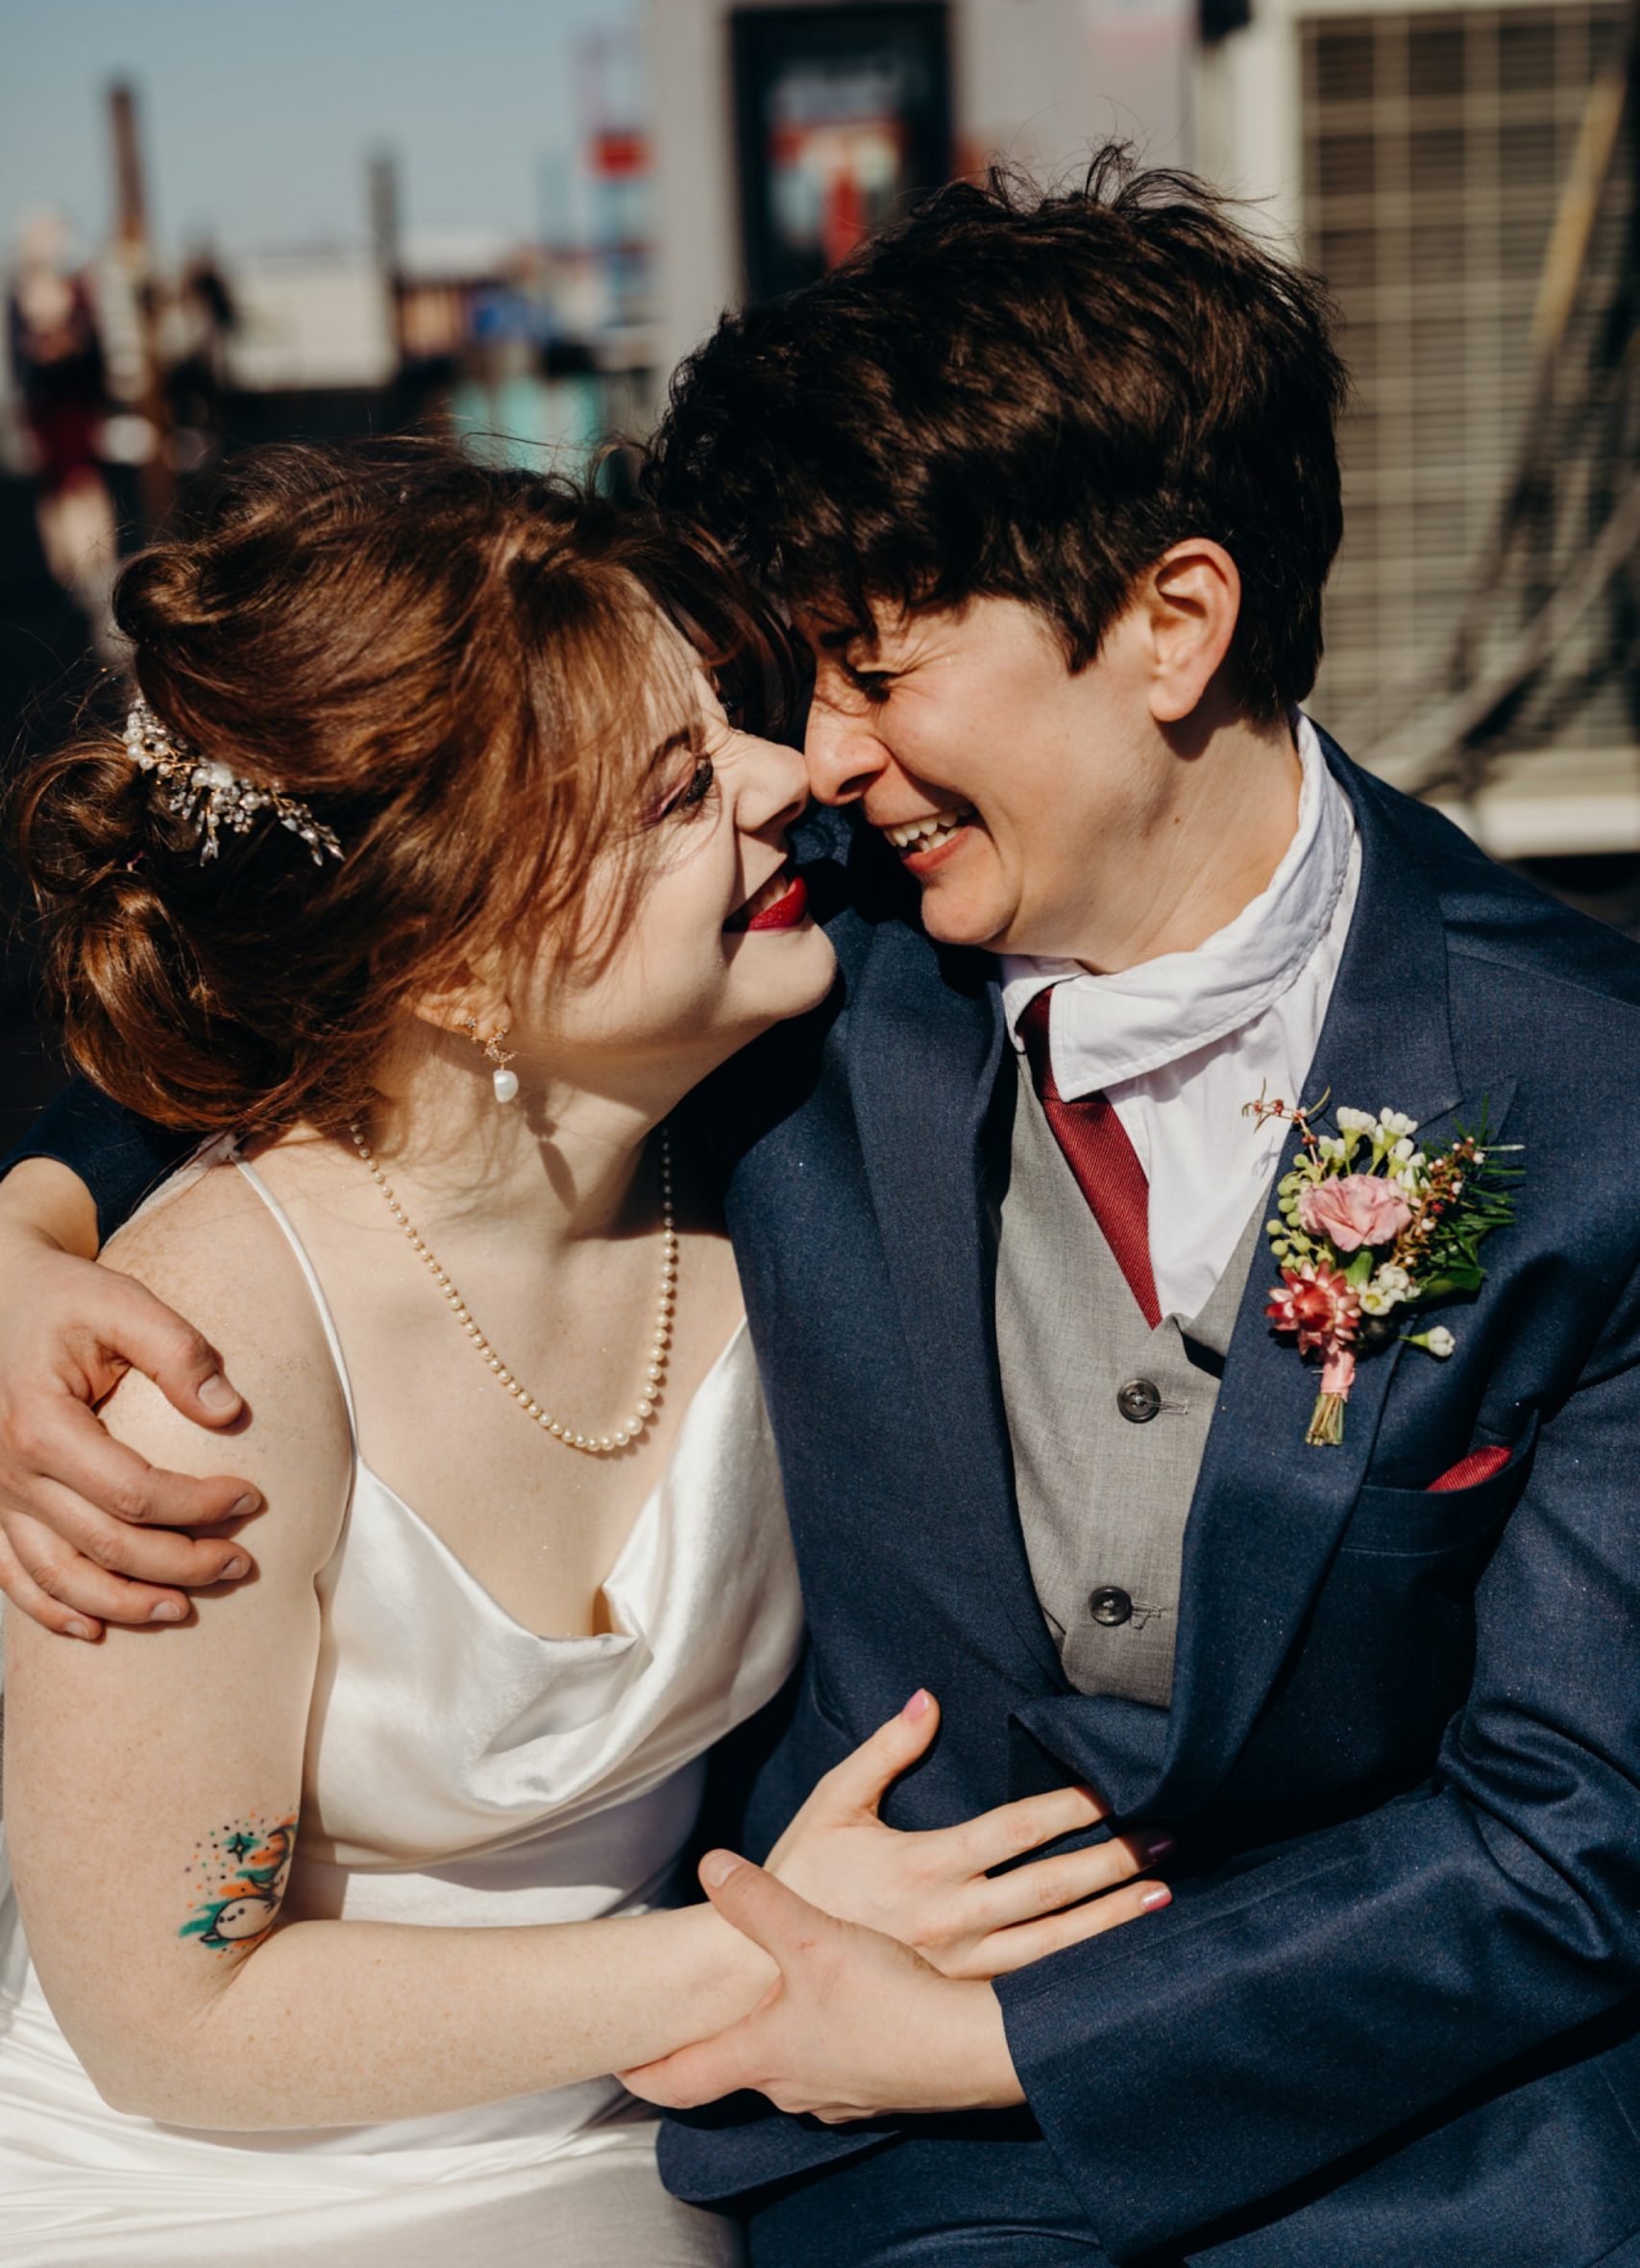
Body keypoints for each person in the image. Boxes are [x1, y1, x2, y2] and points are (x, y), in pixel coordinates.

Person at [5, 154, 1640, 2265]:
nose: (811, 759)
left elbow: (1573, 1826)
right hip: (847, 2156)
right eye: (780, 698)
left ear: (1170, 624)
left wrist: (971, 2025)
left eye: (872, 668)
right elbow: (356, 1015)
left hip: (1422, 2124)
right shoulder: (804, 953)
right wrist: (30, 1236)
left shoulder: (1580, 1090)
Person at [0, 442, 1163, 2267]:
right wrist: (761, 1947)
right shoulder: (201, 1365)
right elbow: (174, 2019)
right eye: (678, 787)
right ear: (455, 965)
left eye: (733, 727)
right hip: (216, 2185)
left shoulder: (770, 1124)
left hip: (661, 2142)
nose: (795, 784)